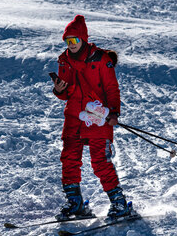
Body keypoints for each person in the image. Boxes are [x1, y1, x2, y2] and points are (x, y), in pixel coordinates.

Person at [52, 15, 131, 220]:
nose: (71, 45)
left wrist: (113, 112)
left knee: (100, 160)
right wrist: (59, 90)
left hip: (98, 115)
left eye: (74, 40)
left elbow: (112, 88)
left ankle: (118, 203)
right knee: (69, 158)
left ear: (83, 39)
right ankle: (75, 203)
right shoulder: (64, 60)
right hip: (74, 116)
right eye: (67, 41)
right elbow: (66, 93)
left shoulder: (101, 59)